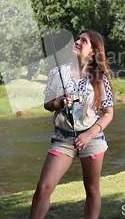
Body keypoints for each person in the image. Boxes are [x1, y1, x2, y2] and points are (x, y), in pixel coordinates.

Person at [30, 29, 114, 219]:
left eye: (83, 41)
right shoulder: (57, 73)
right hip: (63, 138)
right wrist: (57, 103)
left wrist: (88, 135)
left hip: (91, 138)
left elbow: (108, 114)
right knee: (43, 188)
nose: (77, 41)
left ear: (93, 52)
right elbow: (47, 104)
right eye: (78, 38)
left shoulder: (100, 78)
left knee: (92, 190)